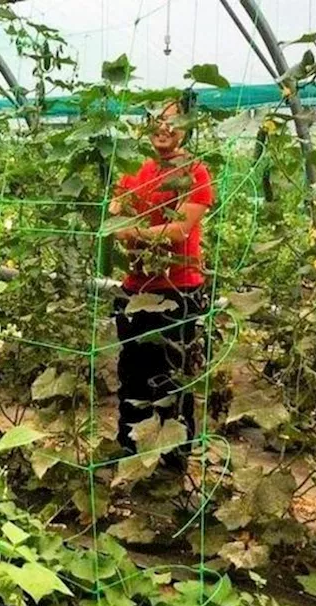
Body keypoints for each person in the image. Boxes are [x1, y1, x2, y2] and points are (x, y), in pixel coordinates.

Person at [109, 90, 215, 461]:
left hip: (178, 290)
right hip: (135, 289)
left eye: (172, 120)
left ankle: (173, 458)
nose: (163, 128)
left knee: (173, 377)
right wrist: (128, 226)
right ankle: (130, 449)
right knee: (132, 374)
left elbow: (180, 230)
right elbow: (114, 213)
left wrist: (133, 230)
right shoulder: (133, 166)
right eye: (156, 119)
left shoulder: (195, 171)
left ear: (185, 126)